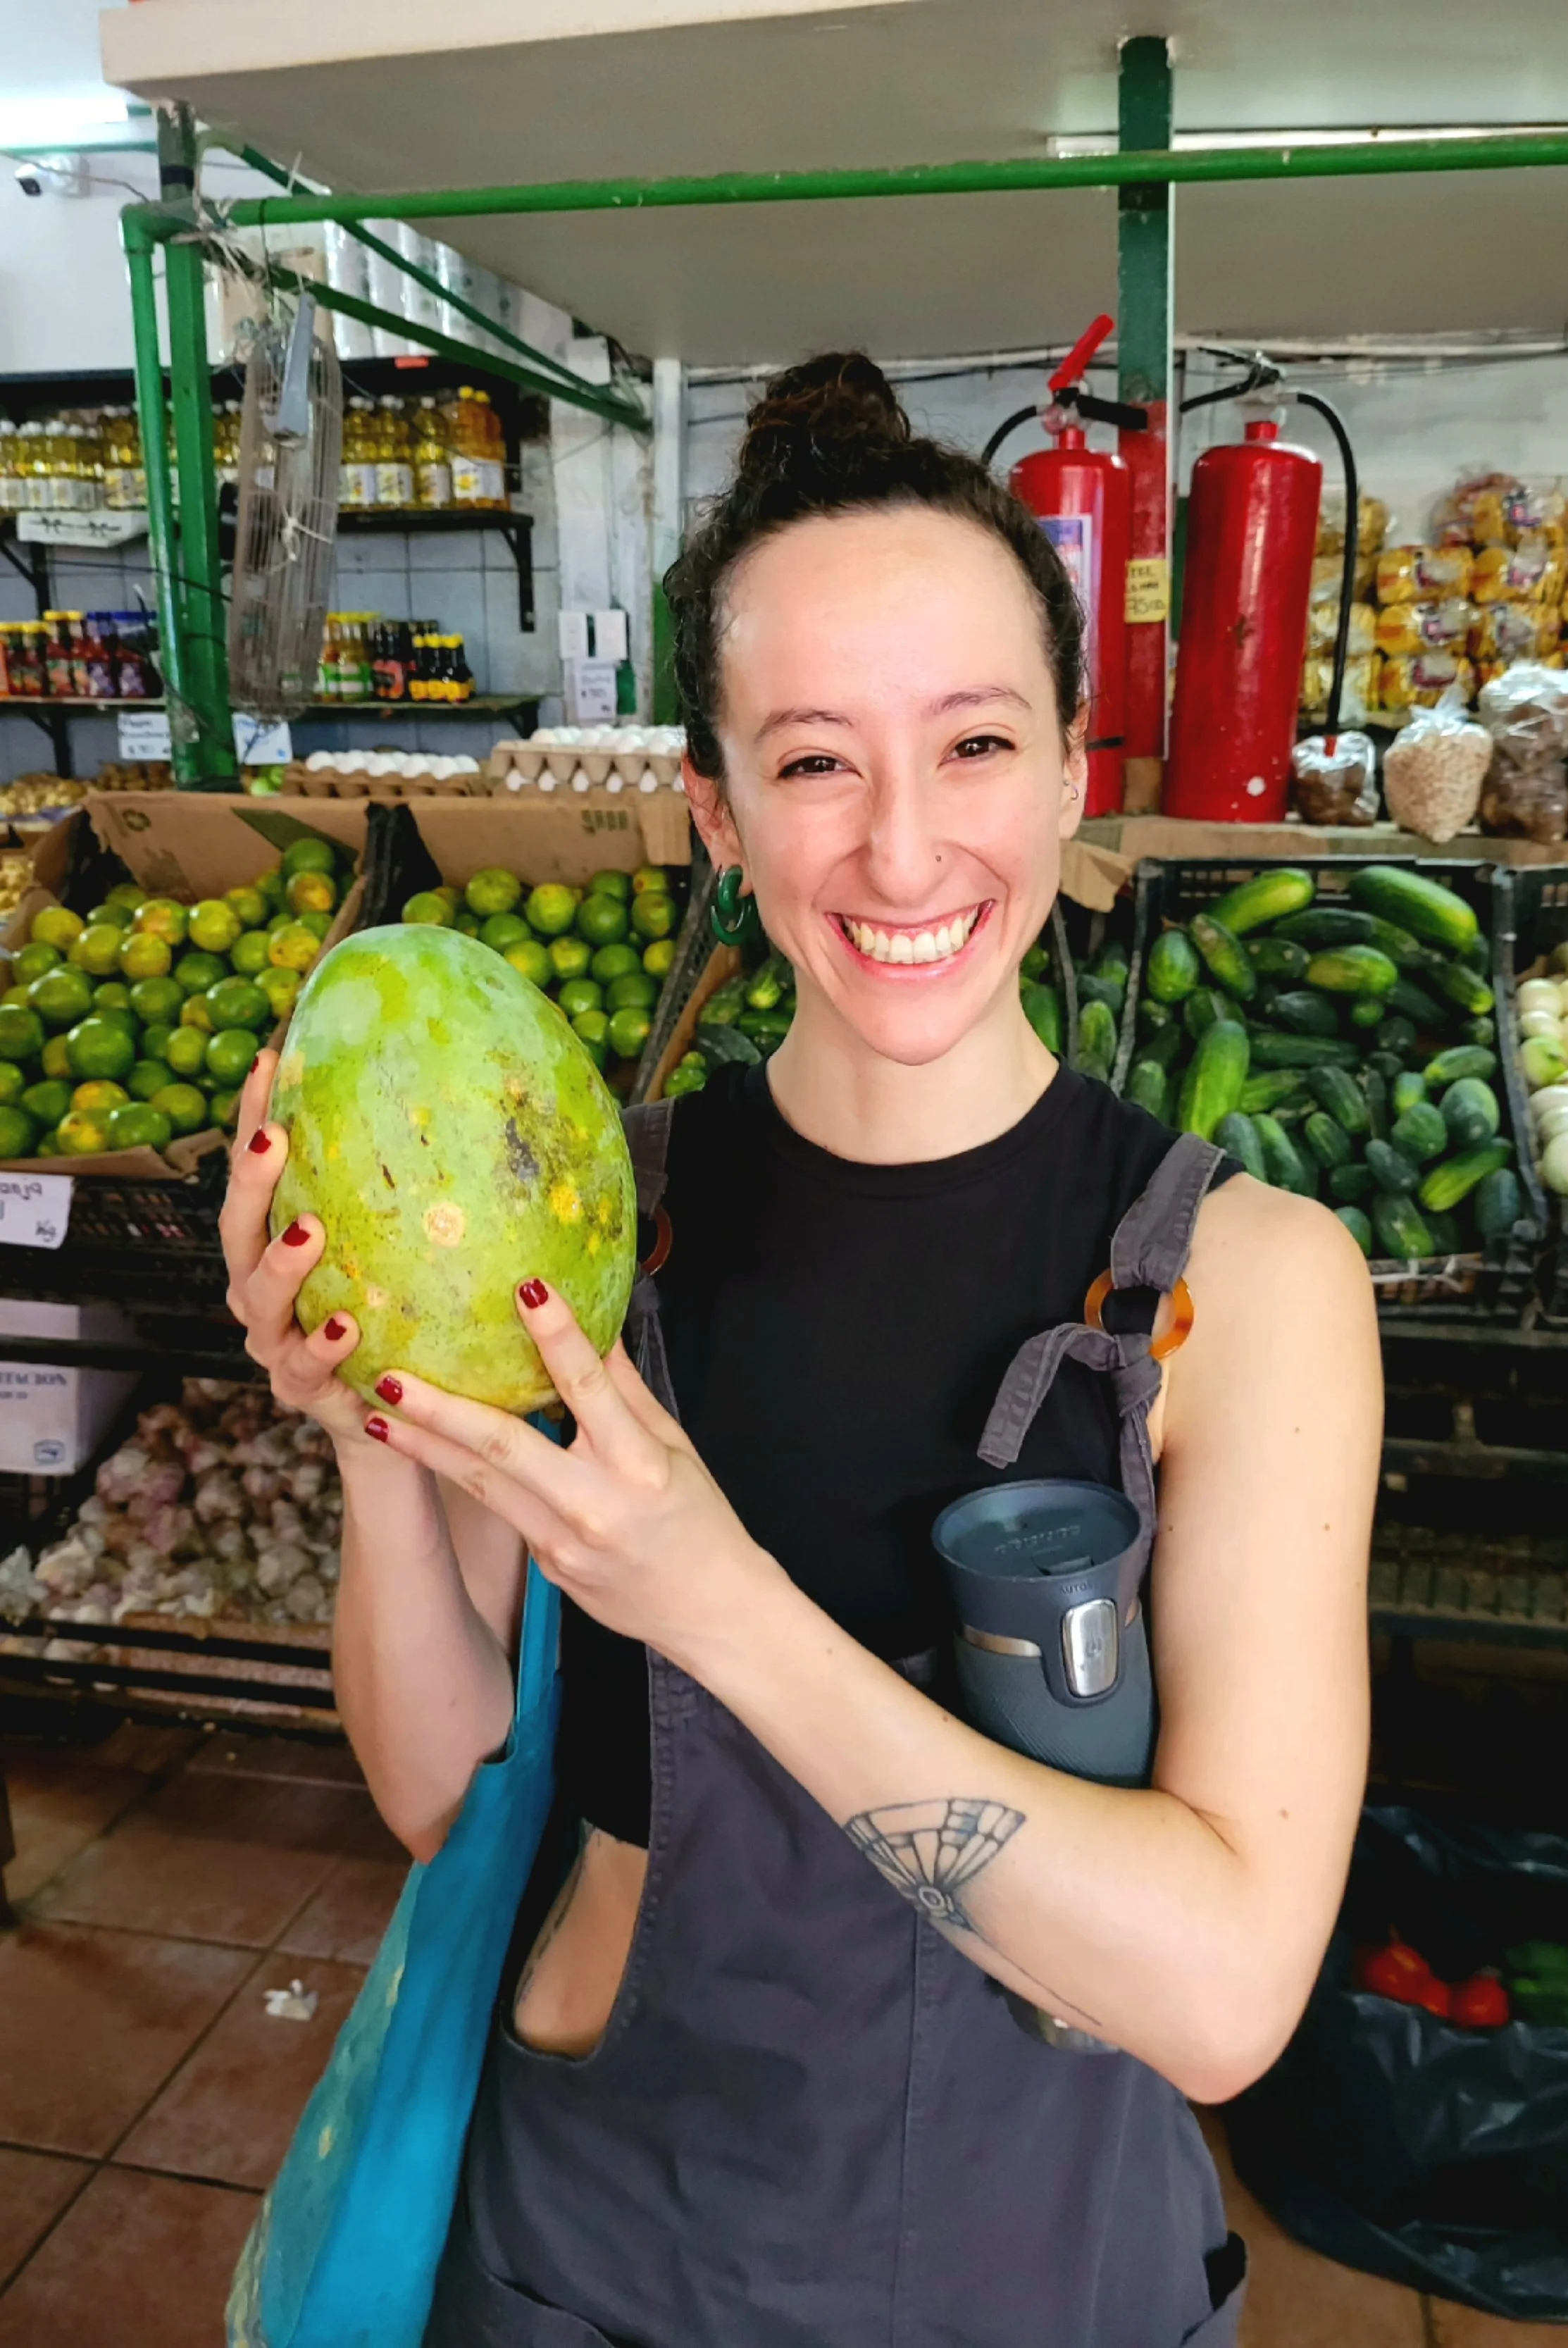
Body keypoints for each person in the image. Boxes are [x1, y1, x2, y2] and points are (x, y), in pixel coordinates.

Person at [220, 352, 1382, 2348]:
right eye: (817, 760)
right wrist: (371, 1438)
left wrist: (713, 1596)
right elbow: (443, 1793)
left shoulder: (1245, 1285)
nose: (906, 853)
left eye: (976, 744)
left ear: (1071, 774)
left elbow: (1218, 1998)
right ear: (716, 811)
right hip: (590, 2242)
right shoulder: (577, 1222)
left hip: (1031, 2276)